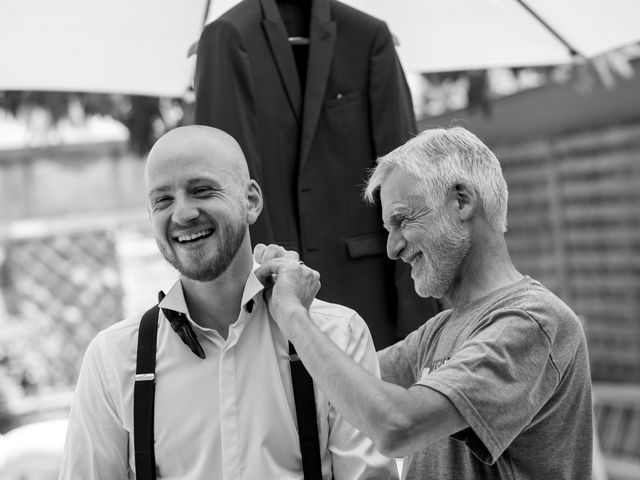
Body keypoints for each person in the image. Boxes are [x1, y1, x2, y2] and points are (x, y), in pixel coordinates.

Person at [58, 125, 398, 480]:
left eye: (201, 190)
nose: (182, 214)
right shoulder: (113, 358)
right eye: (163, 200)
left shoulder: (336, 334)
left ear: (250, 201)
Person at [255, 126, 593, 479]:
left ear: (461, 200)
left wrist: (293, 313)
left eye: (402, 221)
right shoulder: (438, 331)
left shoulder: (534, 321)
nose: (392, 248)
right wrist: (279, 291)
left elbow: (397, 426)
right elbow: (337, 381)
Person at [194, 0, 440, 349]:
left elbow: (407, 173)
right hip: (275, 295)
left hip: (369, 294)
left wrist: (419, 318)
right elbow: (221, 183)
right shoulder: (227, 39)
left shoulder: (368, 37)